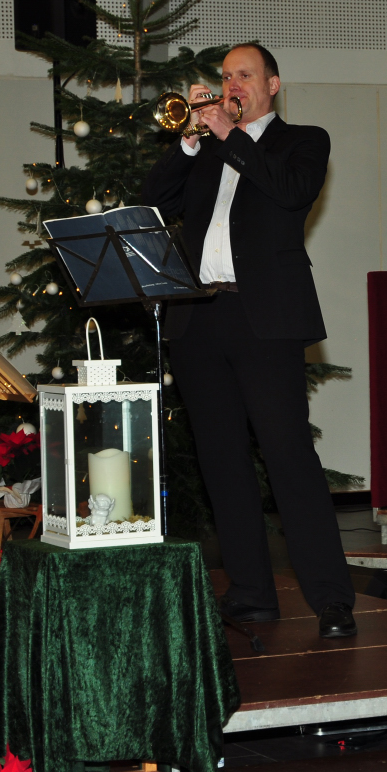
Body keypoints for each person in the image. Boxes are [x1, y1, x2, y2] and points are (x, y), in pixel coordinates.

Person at [141, 43, 357, 639]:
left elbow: (289, 192)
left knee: (288, 455)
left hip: (265, 319)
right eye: (225, 76)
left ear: (273, 84)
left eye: (244, 75)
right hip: (199, 317)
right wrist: (189, 142)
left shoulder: (302, 141)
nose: (231, 85)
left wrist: (229, 134)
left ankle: (331, 597)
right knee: (221, 460)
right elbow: (154, 201)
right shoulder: (206, 148)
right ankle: (251, 594)